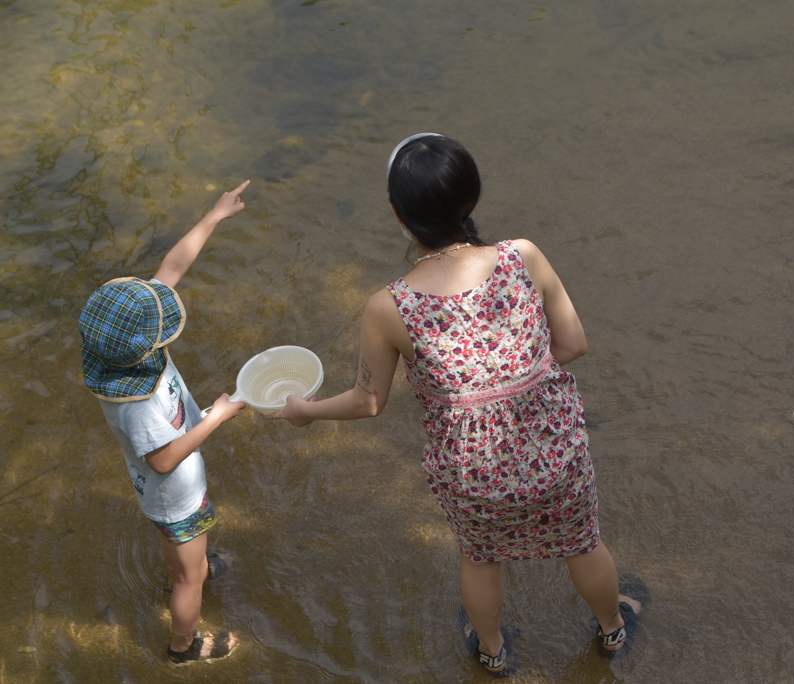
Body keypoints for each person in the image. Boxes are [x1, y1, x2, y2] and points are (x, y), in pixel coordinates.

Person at [267, 135, 642, 674]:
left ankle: (492, 653)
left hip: (472, 470)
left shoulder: (388, 307)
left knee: (481, 558)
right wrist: (518, 375)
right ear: (472, 195)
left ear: (398, 214)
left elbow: (368, 402)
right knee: (582, 543)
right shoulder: (522, 255)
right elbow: (573, 345)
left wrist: (304, 411)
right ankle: (611, 630)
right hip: (553, 450)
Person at [78, 181, 251, 665]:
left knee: (183, 554)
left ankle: (188, 566)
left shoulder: (121, 355)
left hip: (162, 497)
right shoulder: (138, 406)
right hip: (175, 496)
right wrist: (218, 415)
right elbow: (163, 459)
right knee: (188, 579)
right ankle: (184, 646)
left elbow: (171, 269)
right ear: (147, 345)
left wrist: (214, 215)